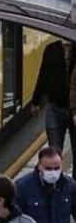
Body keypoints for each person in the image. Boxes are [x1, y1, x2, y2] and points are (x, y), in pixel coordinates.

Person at [31, 39, 76, 179]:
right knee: (54, 150)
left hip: (74, 111)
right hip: (55, 107)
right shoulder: (51, 50)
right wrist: (35, 101)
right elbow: (44, 75)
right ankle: (55, 183)